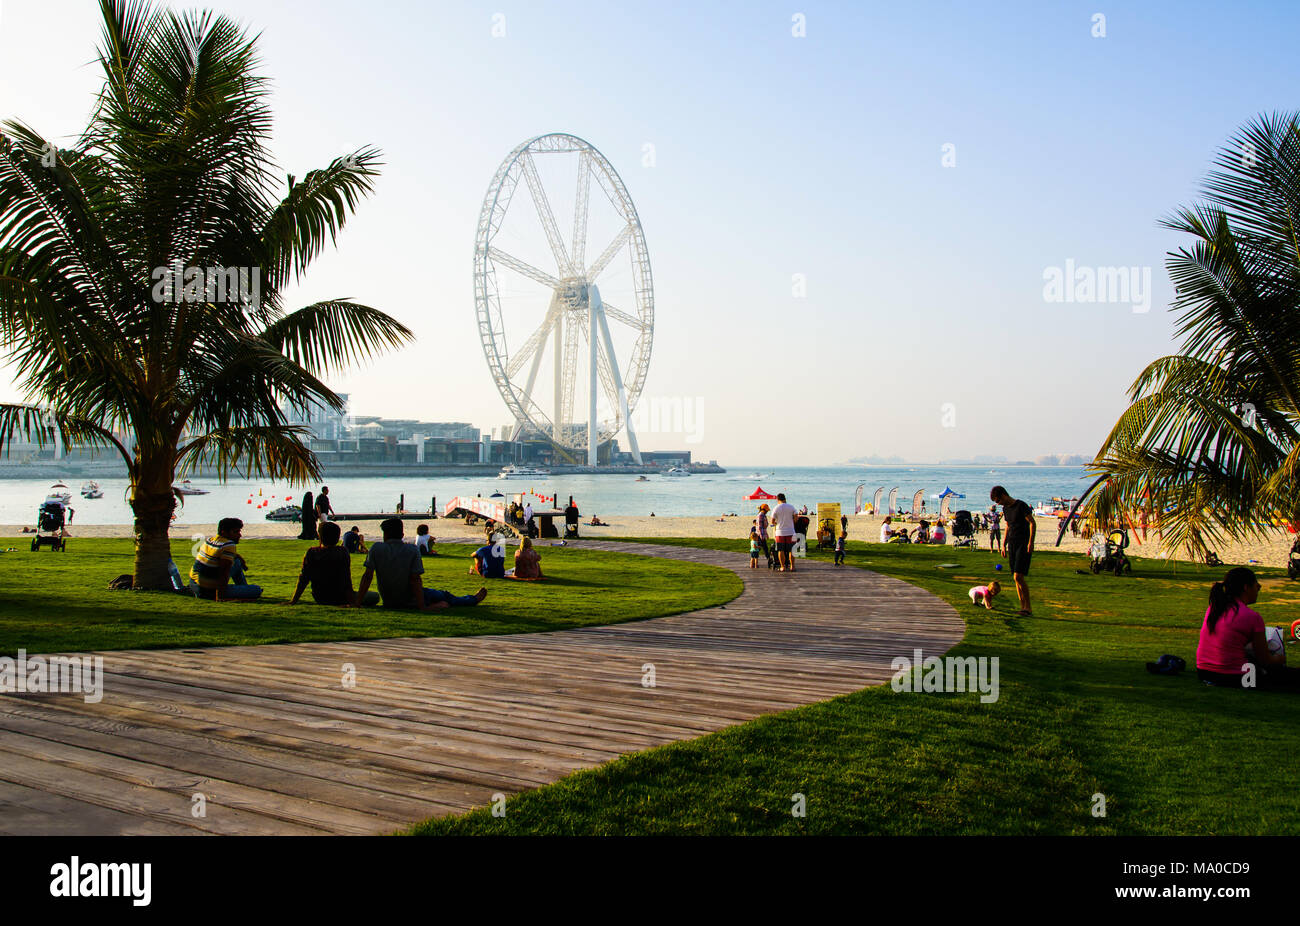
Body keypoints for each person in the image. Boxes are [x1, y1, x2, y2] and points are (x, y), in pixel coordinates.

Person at [1196, 567, 1300, 690]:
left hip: (1204, 672)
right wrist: (1281, 658)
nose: (1259, 588)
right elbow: (1265, 660)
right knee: (1286, 674)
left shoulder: (1215, 608)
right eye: (1256, 585)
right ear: (1246, 587)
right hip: (1234, 677)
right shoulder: (1252, 617)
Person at [357, 518, 487, 610]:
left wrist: (358, 602)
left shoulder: (376, 548)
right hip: (410, 599)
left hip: (389, 600)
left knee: (441, 596)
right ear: (402, 534)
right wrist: (423, 607)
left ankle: (469, 599)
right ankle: (472, 599)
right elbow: (415, 580)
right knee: (445, 596)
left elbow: (367, 577)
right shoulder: (411, 550)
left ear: (385, 535)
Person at [290, 521, 378, 607]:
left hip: (320, 597)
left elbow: (304, 578)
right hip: (341, 596)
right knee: (375, 596)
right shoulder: (342, 552)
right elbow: (346, 580)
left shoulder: (312, 552)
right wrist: (353, 602)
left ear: (320, 536)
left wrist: (294, 600)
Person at [189, 517, 261, 601]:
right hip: (208, 590)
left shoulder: (209, 541)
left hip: (194, 585)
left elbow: (223, 558)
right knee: (256, 590)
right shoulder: (228, 545)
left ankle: (243, 587)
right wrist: (221, 597)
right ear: (224, 532)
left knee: (236, 562)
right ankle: (242, 589)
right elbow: (224, 573)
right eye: (236, 532)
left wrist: (239, 558)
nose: (239, 535)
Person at [991, 486, 1034, 617]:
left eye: (998, 500)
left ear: (1003, 495)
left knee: (1018, 576)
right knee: (1015, 578)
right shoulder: (1005, 509)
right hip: (1012, 544)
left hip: (1023, 543)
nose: (998, 504)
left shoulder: (1021, 506)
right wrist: (1003, 545)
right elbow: (1008, 526)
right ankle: (1023, 607)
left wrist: (1031, 542)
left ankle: (1029, 608)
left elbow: (1032, 523)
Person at [770, 492, 798, 572]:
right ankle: (792, 566)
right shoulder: (791, 506)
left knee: (780, 550)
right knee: (791, 550)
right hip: (790, 531)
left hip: (780, 532)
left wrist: (776, 523)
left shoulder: (776, 508)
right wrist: (793, 521)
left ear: (777, 499)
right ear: (785, 499)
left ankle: (782, 567)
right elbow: (796, 517)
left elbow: (772, 521)